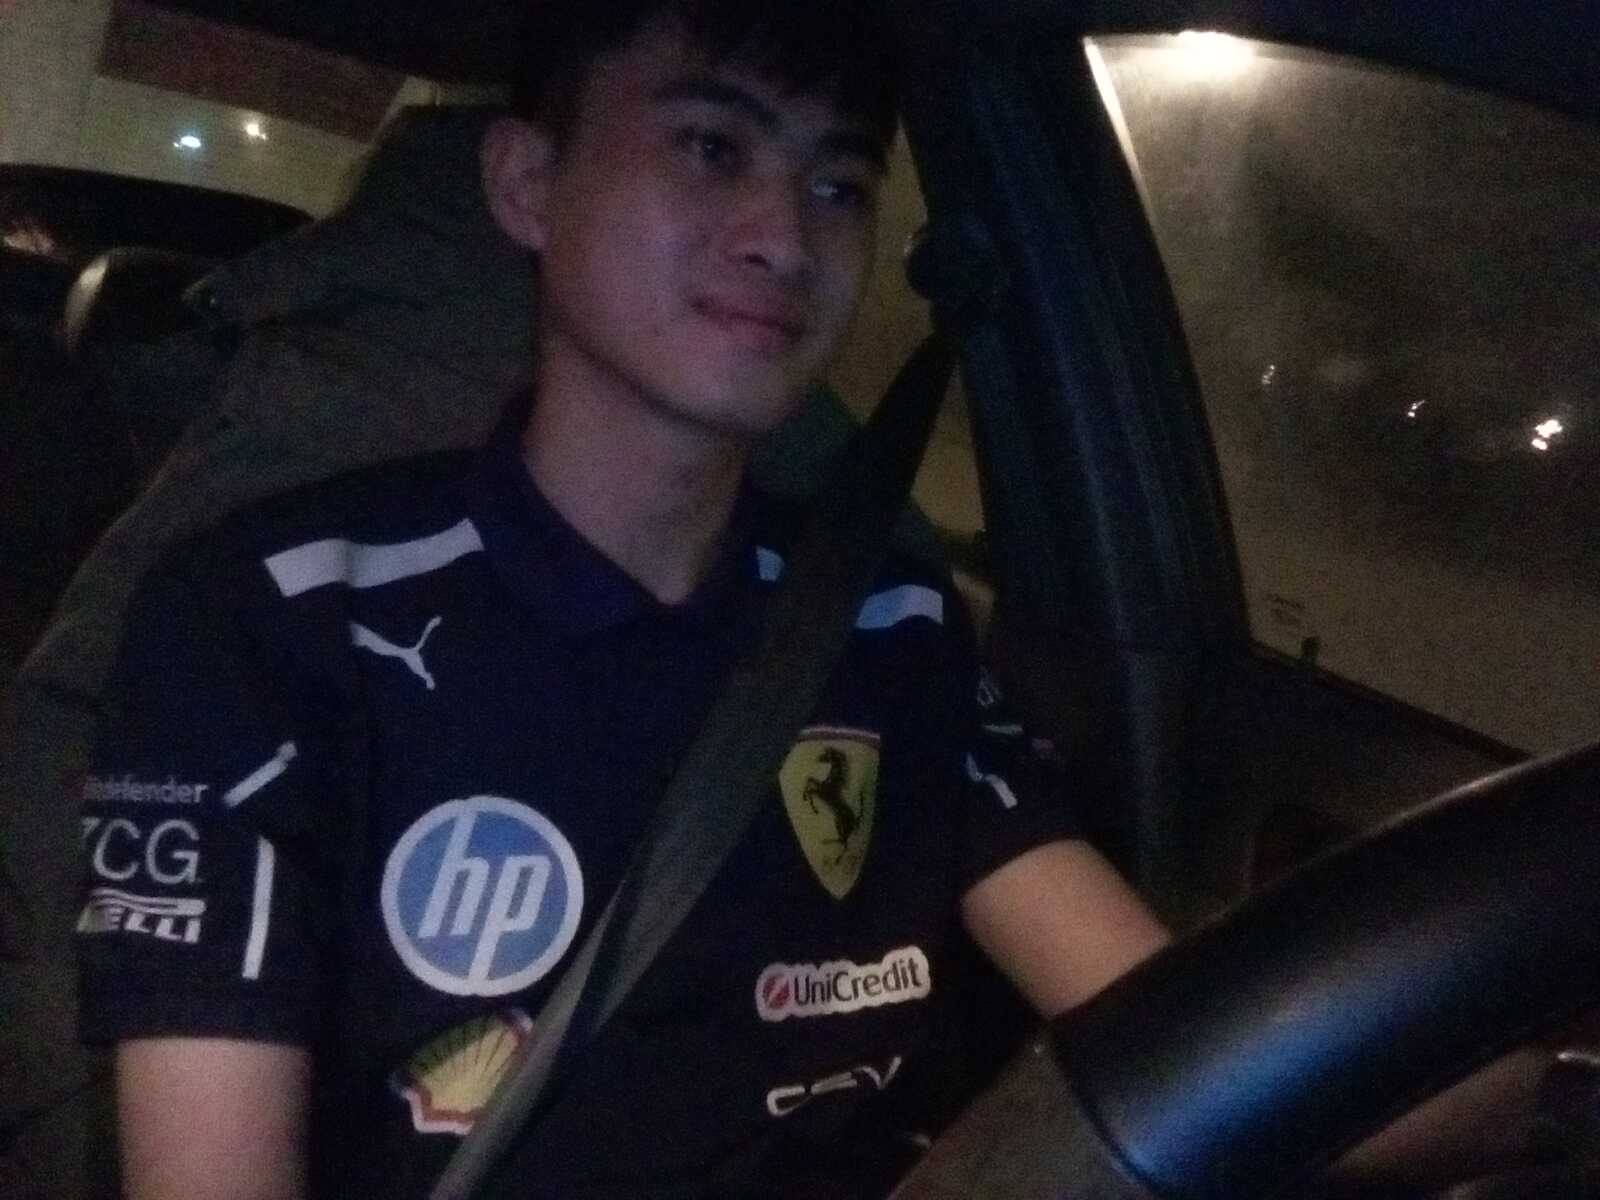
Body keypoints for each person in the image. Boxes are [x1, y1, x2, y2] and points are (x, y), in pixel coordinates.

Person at [73, 4, 1173, 1199]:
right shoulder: (273, 621)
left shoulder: (891, 624)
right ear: (529, 184)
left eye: (839, 186)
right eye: (712, 148)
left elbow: (1172, 1034)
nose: (786, 240)